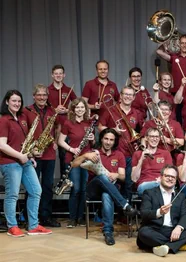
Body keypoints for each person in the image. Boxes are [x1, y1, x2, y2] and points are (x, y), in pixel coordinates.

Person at [71, 128, 139, 245]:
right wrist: (86, 155)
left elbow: (122, 177)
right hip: (93, 190)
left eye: (111, 140)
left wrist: (116, 174)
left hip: (111, 189)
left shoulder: (119, 155)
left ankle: (108, 232)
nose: (108, 142)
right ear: (101, 139)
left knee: (106, 194)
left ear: (114, 142)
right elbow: (74, 164)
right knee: (102, 178)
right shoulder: (94, 153)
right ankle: (125, 205)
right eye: (106, 139)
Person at [0, 90, 52, 237]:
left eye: (19, 101)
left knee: (36, 191)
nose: (17, 104)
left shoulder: (22, 118)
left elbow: (24, 142)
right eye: (13, 101)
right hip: (10, 163)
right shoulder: (3, 120)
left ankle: (33, 226)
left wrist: (29, 156)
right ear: (6, 102)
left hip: (24, 160)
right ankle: (12, 227)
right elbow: (2, 145)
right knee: (12, 195)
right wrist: (20, 156)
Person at [136, 165, 186, 257]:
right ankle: (180, 245)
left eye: (173, 177)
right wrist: (159, 212)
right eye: (167, 176)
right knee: (143, 233)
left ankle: (167, 246)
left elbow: (185, 215)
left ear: (175, 180)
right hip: (155, 230)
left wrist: (179, 227)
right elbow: (144, 213)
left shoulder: (180, 196)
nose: (170, 179)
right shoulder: (149, 193)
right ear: (161, 177)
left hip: (173, 230)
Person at [24, 84, 61, 227]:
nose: (42, 97)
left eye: (44, 95)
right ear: (34, 96)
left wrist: (56, 141)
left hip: (49, 155)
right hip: (33, 155)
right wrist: (29, 149)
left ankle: (45, 217)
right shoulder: (27, 110)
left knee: (47, 186)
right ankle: (30, 218)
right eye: (39, 95)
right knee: (32, 187)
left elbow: (58, 126)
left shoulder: (52, 111)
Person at [99, 86, 144, 201]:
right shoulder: (111, 109)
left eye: (130, 95)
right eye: (125, 94)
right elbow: (100, 127)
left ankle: (125, 214)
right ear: (121, 96)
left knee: (128, 183)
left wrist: (139, 144)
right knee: (112, 183)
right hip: (113, 153)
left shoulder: (137, 113)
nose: (128, 97)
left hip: (130, 154)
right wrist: (113, 130)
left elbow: (142, 132)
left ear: (134, 97)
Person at [57, 98, 95, 228]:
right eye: (77, 107)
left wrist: (93, 139)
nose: (80, 110)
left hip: (86, 159)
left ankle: (81, 217)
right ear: (73, 109)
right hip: (73, 159)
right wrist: (71, 149)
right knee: (76, 188)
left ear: (85, 109)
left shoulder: (89, 123)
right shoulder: (68, 123)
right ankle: (72, 218)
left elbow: (92, 144)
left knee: (84, 189)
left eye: (82, 107)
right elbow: (60, 141)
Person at [47, 65, 78, 180]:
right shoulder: (47, 90)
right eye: (56, 73)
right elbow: (43, 107)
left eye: (60, 73)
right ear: (52, 75)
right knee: (49, 155)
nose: (58, 75)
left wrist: (68, 110)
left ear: (64, 75)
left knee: (64, 155)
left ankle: (64, 180)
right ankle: (49, 182)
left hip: (65, 127)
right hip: (50, 127)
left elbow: (78, 105)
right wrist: (54, 110)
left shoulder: (68, 89)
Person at [132, 128, 173, 196]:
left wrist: (162, 180)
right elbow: (134, 179)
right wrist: (141, 160)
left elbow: (170, 173)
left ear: (159, 138)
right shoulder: (137, 154)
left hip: (162, 182)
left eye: (157, 137)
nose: (154, 139)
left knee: (167, 185)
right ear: (146, 138)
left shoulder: (166, 153)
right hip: (146, 185)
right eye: (152, 136)